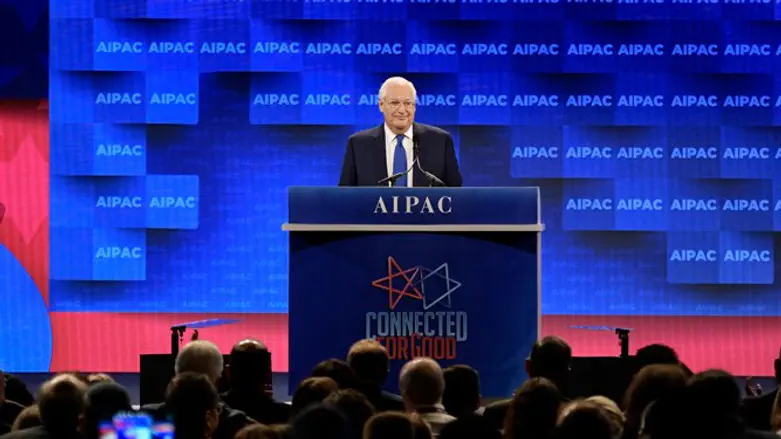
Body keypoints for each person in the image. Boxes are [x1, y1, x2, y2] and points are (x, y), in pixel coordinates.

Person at [338, 77, 462, 188]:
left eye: (408, 103)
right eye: (394, 103)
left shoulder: (440, 141)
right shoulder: (358, 144)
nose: (402, 110)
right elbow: (345, 197)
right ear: (381, 105)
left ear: (414, 107)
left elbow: (457, 195)